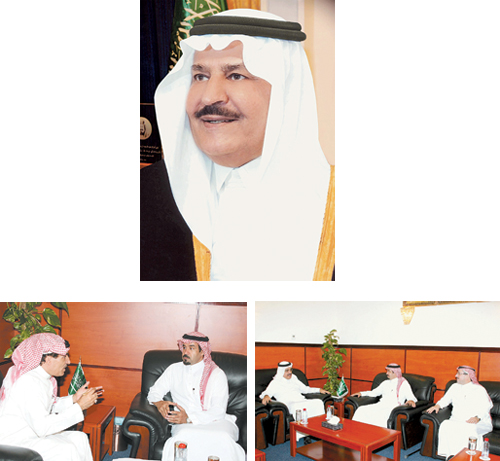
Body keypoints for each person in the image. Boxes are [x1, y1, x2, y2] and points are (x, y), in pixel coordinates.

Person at [147, 8, 334, 281]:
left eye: (236, 75)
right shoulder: (144, 197)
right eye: (200, 76)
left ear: (284, 93)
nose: (209, 97)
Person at [0, 333, 103, 461]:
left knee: (79, 438)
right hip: (15, 441)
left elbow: (47, 406)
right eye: (64, 357)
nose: (68, 361)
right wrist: (79, 407)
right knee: (66, 449)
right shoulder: (29, 382)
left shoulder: (41, 378)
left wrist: (74, 399)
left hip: (32, 433)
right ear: (48, 359)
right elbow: (42, 427)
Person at [147, 331, 245, 461]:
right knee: (184, 437)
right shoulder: (174, 370)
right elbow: (153, 392)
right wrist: (159, 403)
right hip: (184, 424)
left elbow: (218, 410)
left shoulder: (217, 374)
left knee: (223, 438)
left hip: (215, 421)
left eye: (191, 348)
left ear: (202, 351)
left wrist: (189, 418)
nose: (185, 352)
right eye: (184, 347)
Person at [425, 365, 493, 458]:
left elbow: (486, 406)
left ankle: (467, 457)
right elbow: (445, 400)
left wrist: (478, 417)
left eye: (459, 374)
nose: (456, 375)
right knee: (445, 424)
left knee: (469, 428)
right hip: (457, 420)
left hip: (476, 422)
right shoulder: (454, 387)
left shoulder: (479, 390)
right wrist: (437, 405)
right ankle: (451, 456)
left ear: (468, 375)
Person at [260, 361, 330, 440]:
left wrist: (319, 390)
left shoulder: (294, 378)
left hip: (301, 400)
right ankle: (305, 434)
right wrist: (266, 396)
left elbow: (305, 389)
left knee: (318, 402)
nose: (290, 372)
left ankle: (319, 431)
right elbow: (265, 393)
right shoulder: (275, 382)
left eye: (290, 370)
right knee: (298, 408)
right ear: (281, 371)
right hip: (289, 404)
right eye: (287, 370)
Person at [351, 363, 417, 427]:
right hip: (381, 405)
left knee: (380, 416)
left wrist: (411, 401)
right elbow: (374, 393)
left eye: (388, 371)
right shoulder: (385, 383)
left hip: (393, 408)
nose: (386, 373)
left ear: (394, 372)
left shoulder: (403, 383)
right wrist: (361, 393)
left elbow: (411, 397)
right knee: (361, 410)